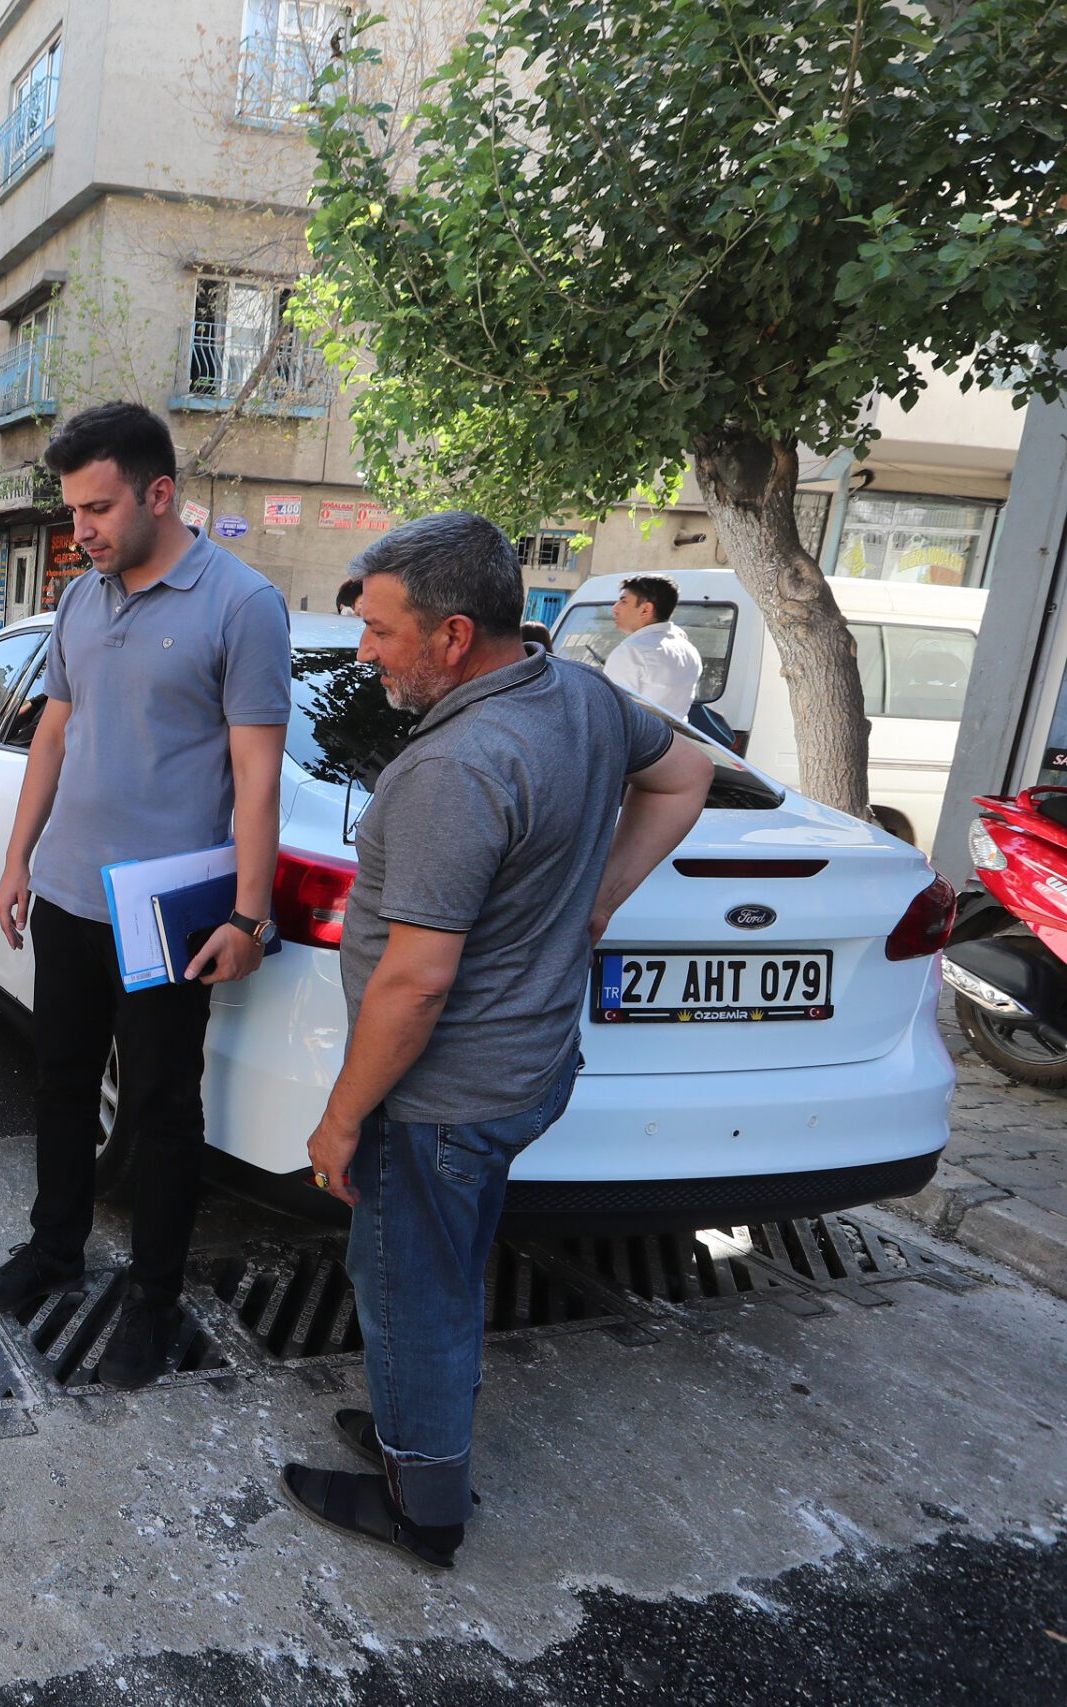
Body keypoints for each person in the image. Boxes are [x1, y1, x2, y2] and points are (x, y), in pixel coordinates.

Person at [282, 512, 711, 1569]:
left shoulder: (454, 769)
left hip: (444, 1092)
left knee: (409, 1287)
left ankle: (422, 1507)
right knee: (445, 1262)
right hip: (528, 1067)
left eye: (382, 632)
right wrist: (594, 904)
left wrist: (340, 1122)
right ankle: (411, 1433)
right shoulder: (577, 695)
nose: (366, 650)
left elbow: (416, 983)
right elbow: (686, 777)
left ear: (453, 635)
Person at [0, 402, 292, 1387]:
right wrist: (18, 858)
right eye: (72, 512)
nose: (82, 531)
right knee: (60, 1081)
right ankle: (54, 1249)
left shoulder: (240, 604)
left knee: (159, 1110)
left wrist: (246, 911)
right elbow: (55, 735)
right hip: (67, 892)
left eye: (98, 509)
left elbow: (259, 777)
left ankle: (153, 1303)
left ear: (160, 494)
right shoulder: (80, 598)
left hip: (166, 913)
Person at [601, 574, 701, 717]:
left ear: (645, 609)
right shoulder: (689, 650)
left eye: (623, 601)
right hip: (674, 737)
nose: (615, 608)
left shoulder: (631, 651)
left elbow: (609, 713)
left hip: (636, 738)